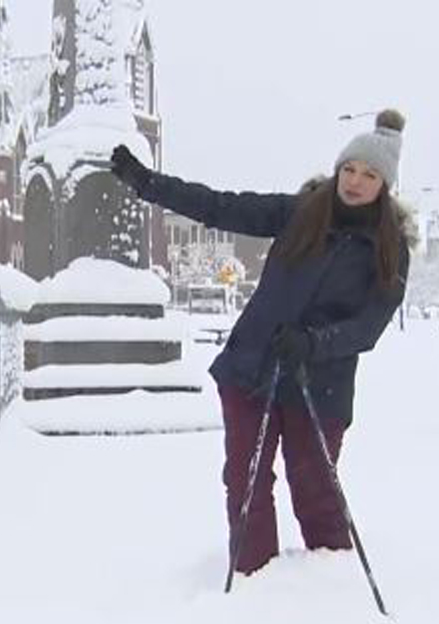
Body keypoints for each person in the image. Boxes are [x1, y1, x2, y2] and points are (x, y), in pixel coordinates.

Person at [109, 110, 412, 575]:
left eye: (369, 175)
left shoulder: (388, 248)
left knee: (315, 489)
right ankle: (255, 583)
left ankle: (331, 588)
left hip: (321, 382)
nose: (354, 181)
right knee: (245, 481)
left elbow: (367, 327)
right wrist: (148, 184)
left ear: (384, 186)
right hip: (253, 367)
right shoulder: (299, 212)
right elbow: (220, 206)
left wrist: (314, 343)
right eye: (349, 169)